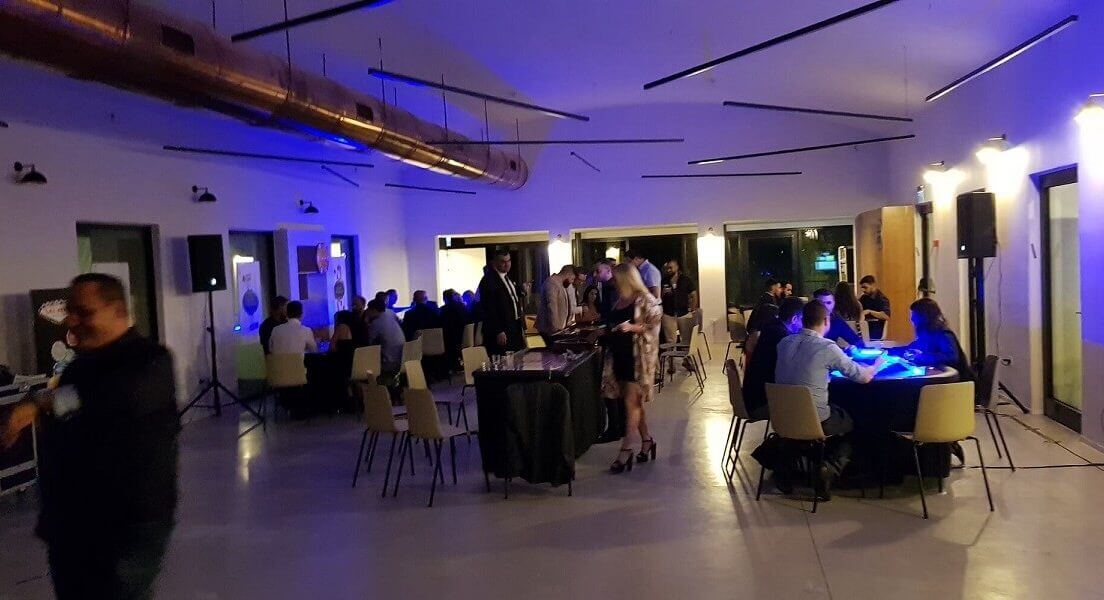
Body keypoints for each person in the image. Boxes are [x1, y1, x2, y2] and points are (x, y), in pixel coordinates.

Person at [1, 273, 179, 599]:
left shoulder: (150, 361)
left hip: (126, 527)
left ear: (118, 311)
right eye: (69, 311)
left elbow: (116, 396)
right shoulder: (79, 368)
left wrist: (43, 402)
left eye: (84, 312)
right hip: (72, 527)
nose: (72, 321)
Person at [774, 301, 883, 496]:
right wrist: (876, 365)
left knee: (831, 411)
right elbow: (863, 377)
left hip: (783, 417)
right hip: (815, 419)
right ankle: (829, 468)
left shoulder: (783, 343)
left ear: (803, 320)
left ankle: (789, 466)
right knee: (855, 421)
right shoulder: (827, 347)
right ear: (826, 320)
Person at [603, 264, 663, 474]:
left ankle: (626, 449)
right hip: (619, 356)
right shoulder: (621, 299)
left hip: (637, 359)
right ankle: (647, 440)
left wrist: (632, 327)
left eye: (616, 279)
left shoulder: (645, 299)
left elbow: (654, 326)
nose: (613, 283)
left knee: (631, 403)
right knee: (632, 403)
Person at [743, 297, 806, 421]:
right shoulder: (782, 337)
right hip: (762, 402)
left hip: (753, 397)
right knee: (810, 406)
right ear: (794, 319)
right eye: (803, 320)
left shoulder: (771, 327)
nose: (804, 324)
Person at [477, 248, 526, 355]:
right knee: (504, 359)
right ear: (495, 263)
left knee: (518, 357)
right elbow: (488, 308)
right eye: (503, 261)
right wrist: (498, 330)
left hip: (514, 326)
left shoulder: (508, 277)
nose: (507, 264)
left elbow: (512, 299)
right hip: (502, 328)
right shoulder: (489, 281)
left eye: (509, 261)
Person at [905, 298, 971, 371]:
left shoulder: (942, 333)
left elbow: (951, 357)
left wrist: (923, 357)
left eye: (914, 315)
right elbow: (912, 347)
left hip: (956, 376)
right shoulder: (927, 333)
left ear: (924, 315)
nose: (911, 318)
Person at [365, 298, 405, 376]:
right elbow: (399, 322)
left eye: (369, 309)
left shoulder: (376, 323)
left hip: (389, 361)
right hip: (402, 356)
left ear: (374, 310)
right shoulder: (390, 312)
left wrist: (366, 323)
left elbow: (369, 344)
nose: (367, 312)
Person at [660, 259, 698, 342]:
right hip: (668, 315)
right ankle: (672, 351)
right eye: (667, 268)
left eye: (671, 268)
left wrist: (693, 309)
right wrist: (663, 293)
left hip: (684, 314)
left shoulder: (685, 280)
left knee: (686, 339)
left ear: (677, 267)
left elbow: (694, 294)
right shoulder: (664, 281)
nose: (668, 270)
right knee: (670, 340)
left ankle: (685, 351)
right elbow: (659, 298)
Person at [536, 265, 575, 342]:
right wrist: (556, 328)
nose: (572, 282)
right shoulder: (552, 282)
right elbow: (552, 306)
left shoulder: (561, 284)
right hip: (550, 330)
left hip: (559, 329)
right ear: (568, 274)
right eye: (572, 279)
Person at [440, 288, 470, 370]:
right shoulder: (463, 307)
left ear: (445, 299)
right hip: (464, 337)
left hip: (452, 340)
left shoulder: (444, 310)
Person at [858, 275, 891, 340]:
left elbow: (886, 316)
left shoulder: (882, 299)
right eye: (862, 288)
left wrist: (869, 312)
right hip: (865, 331)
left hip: (877, 332)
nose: (863, 290)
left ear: (873, 285)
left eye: (865, 287)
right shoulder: (863, 298)